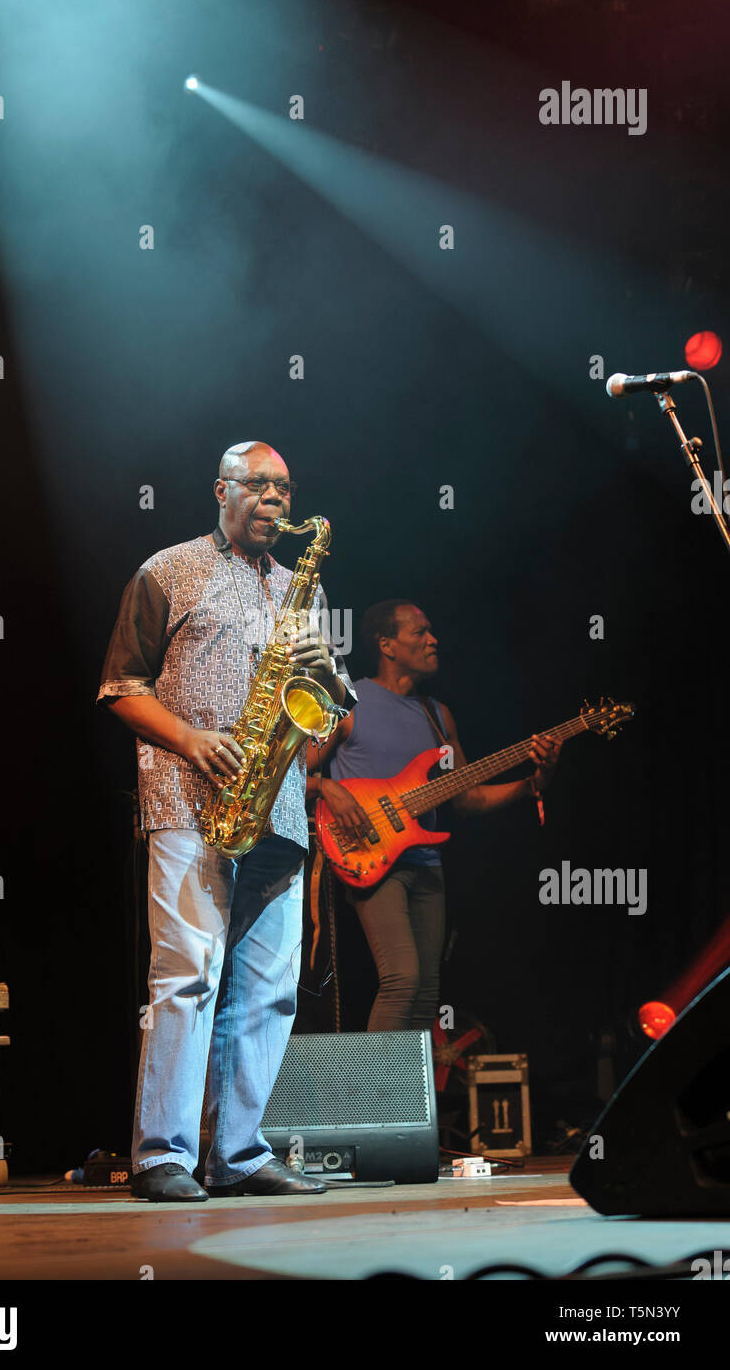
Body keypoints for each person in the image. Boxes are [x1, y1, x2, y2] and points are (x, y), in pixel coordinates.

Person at [97, 441, 355, 1201]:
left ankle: (239, 1154)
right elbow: (119, 687)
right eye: (261, 485)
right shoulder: (167, 570)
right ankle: (161, 1157)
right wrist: (189, 737)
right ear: (222, 489)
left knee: (271, 989)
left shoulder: (299, 587)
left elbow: (333, 718)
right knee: (187, 977)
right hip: (186, 801)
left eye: (285, 487)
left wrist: (329, 672)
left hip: (275, 808)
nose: (275, 499)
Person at [306, 600, 560, 1033]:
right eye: (420, 632)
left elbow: (467, 797)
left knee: (426, 993)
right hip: (370, 859)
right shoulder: (350, 700)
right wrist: (327, 786)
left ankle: (411, 1102)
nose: (433, 639)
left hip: (427, 865)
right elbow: (295, 774)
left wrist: (533, 782)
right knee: (402, 981)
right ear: (387, 645)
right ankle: (374, 1102)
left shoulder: (438, 716)